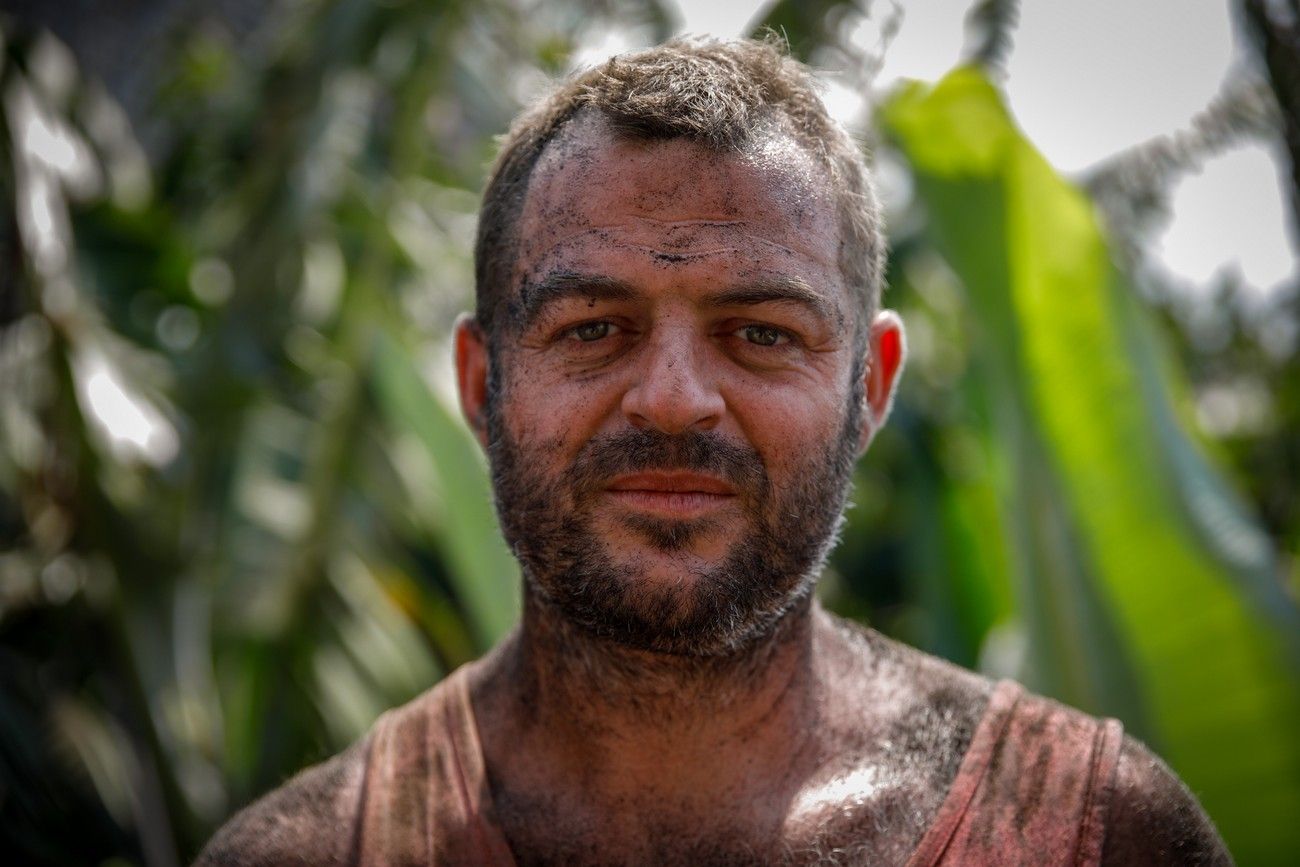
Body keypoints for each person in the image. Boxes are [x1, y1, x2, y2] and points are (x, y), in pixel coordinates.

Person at [196, 37, 1231, 866]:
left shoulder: (1097, 836)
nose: (676, 401)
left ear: (868, 388)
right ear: (480, 385)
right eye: (593, 328)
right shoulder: (314, 851)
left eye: (762, 334)